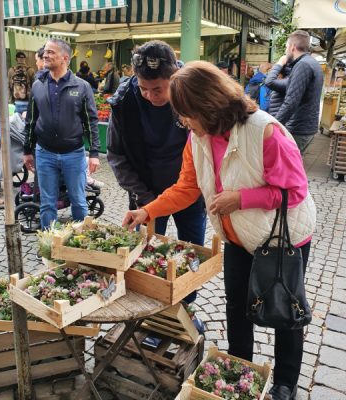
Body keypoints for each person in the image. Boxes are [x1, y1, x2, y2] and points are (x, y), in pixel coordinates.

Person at [123, 61, 316, 400]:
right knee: (237, 307)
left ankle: (286, 383)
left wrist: (241, 198)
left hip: (284, 237)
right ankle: (240, 372)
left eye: (186, 113)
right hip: (239, 239)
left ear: (208, 105)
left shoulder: (266, 131)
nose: (183, 121)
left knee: (285, 310)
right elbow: (187, 187)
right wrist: (146, 211)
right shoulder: (198, 137)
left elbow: (295, 191)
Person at [107, 41, 207, 308]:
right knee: (143, 255)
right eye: (144, 89)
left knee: (192, 250)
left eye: (158, 90)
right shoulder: (125, 101)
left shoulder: (192, 93)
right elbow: (116, 155)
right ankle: (151, 310)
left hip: (190, 190)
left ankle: (187, 306)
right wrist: (144, 196)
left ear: (173, 78)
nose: (150, 96)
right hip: (146, 192)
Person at [23, 38, 100, 229]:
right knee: (47, 203)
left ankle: (81, 242)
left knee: (79, 201)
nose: (45, 55)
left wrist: (95, 153)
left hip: (74, 154)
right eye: (45, 52)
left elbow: (90, 121)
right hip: (45, 153)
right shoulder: (37, 85)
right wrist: (27, 150)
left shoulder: (82, 87)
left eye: (51, 52)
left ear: (65, 57)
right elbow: (31, 120)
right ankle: (50, 244)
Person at [274, 30, 324, 154]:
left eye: (286, 47)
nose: (285, 51)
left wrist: (274, 125)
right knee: (293, 167)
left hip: (298, 128)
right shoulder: (312, 63)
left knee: (287, 170)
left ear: (292, 47)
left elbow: (291, 101)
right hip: (304, 127)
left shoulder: (303, 65)